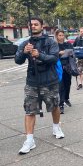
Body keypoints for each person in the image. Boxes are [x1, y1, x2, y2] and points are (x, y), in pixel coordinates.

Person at [15, 17, 65, 154]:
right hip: (32, 82)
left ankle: (56, 127)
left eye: (36, 24)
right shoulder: (25, 43)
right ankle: (29, 140)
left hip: (50, 81)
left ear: (42, 26)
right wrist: (24, 52)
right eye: (31, 24)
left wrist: (39, 55)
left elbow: (54, 58)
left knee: (55, 106)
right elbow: (18, 61)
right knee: (29, 110)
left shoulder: (51, 42)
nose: (33, 26)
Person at [55, 30, 73, 114]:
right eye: (59, 35)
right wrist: (59, 53)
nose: (61, 37)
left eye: (62, 35)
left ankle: (66, 98)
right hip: (58, 67)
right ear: (56, 36)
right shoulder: (54, 45)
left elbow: (72, 52)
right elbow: (52, 54)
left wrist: (67, 52)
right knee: (61, 86)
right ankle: (61, 104)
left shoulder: (67, 44)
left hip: (68, 67)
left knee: (68, 84)